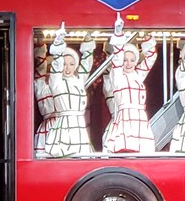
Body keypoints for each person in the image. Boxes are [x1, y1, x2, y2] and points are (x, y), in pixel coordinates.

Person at [34, 23, 95, 157]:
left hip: (73, 126)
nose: (66, 68)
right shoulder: (46, 84)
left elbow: (86, 66)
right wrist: (42, 45)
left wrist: (88, 42)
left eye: (71, 64)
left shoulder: (75, 81)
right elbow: (41, 67)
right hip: (52, 127)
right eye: (62, 64)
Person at [102, 14, 157, 154]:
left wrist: (147, 36)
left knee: (141, 153)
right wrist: (119, 34)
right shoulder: (117, 76)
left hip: (139, 118)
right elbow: (117, 57)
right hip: (124, 118)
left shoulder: (138, 75)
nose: (128, 63)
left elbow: (151, 57)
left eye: (132, 60)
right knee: (124, 150)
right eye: (126, 60)